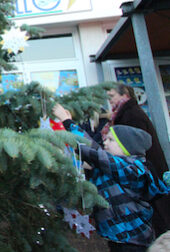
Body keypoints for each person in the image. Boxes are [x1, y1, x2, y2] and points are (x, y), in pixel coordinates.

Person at [53, 104, 169, 251]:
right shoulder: (113, 168)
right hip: (117, 238)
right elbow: (96, 161)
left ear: (127, 148)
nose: (105, 143)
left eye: (111, 140)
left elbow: (96, 153)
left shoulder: (133, 169)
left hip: (133, 241)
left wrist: (67, 122)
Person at [103, 83, 170, 236]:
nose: (110, 101)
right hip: (147, 171)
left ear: (124, 94)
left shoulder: (131, 115)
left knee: (157, 213)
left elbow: (137, 146)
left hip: (148, 171)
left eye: (112, 96)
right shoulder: (123, 114)